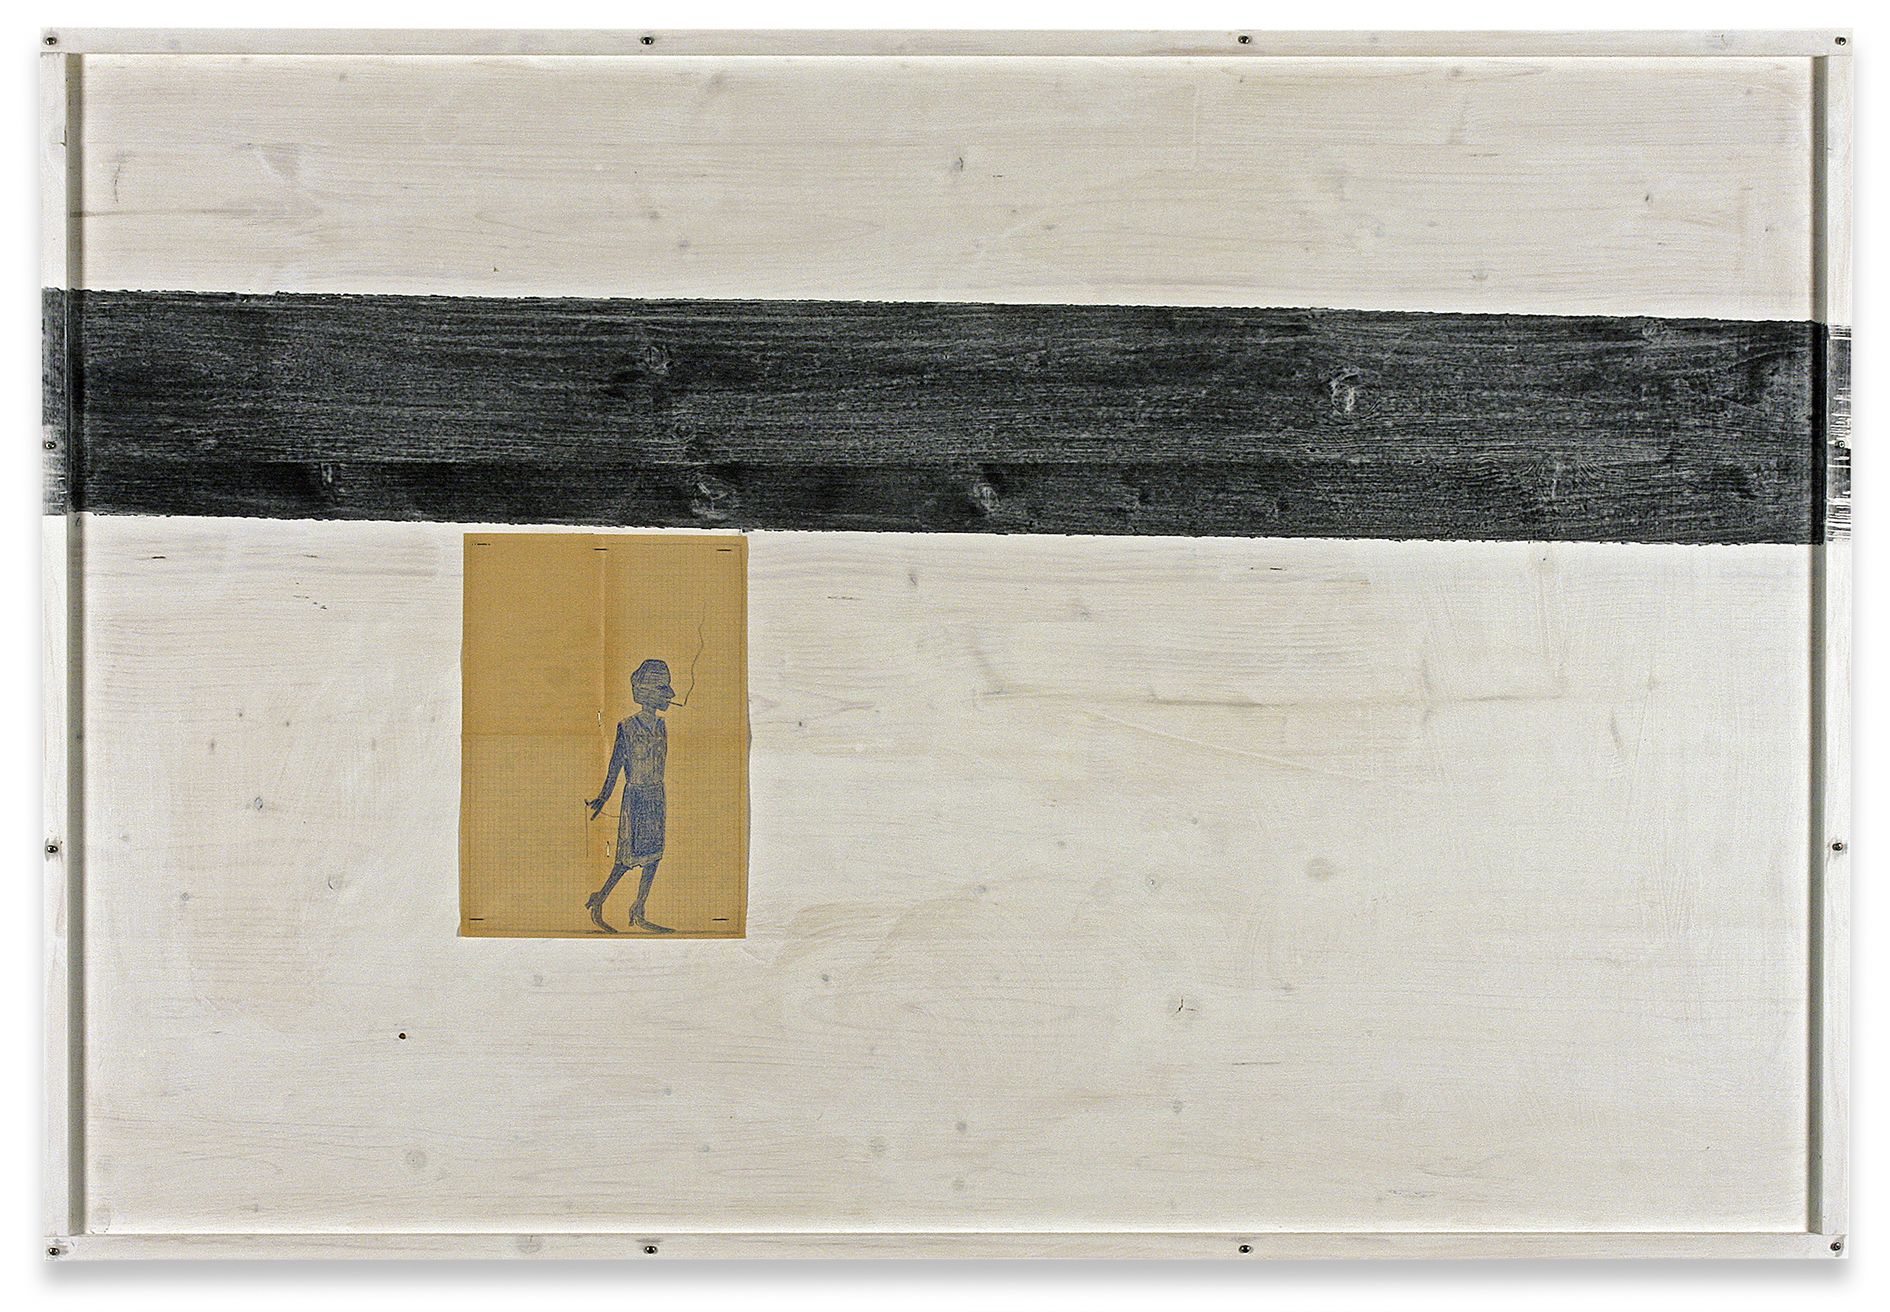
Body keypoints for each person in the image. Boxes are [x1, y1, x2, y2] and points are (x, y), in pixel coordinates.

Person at [585, 658, 675, 933]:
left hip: (656, 796)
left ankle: (638, 910)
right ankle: (599, 900)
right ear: (647, 692)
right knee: (626, 860)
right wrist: (603, 797)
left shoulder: (661, 727)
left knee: (654, 856)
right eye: (663, 689)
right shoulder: (627, 727)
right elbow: (615, 767)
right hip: (635, 798)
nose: (670, 695)